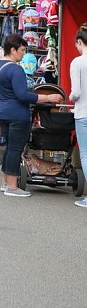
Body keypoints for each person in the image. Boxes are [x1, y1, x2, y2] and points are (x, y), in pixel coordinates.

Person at [0, 33, 62, 197]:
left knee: (10, 148)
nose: (24, 54)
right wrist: (47, 97)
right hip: (17, 113)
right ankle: (12, 186)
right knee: (16, 149)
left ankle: (6, 181)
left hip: (3, 111)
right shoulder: (16, 69)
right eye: (22, 50)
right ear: (13, 50)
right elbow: (22, 95)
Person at [68, 24, 87, 208]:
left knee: (86, 154)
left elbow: (76, 93)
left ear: (80, 42)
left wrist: (70, 97)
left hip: (83, 113)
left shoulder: (77, 63)